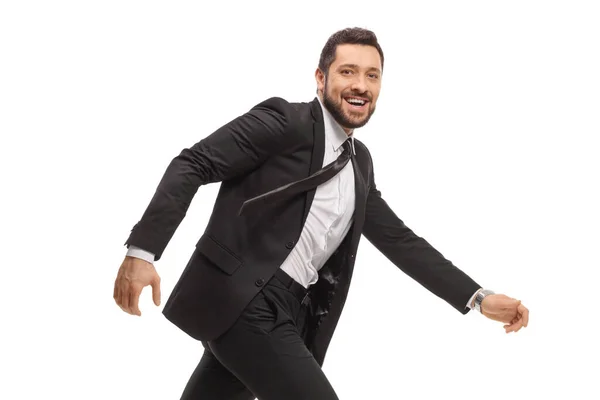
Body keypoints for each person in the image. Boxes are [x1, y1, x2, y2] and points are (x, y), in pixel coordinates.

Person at [113, 27, 529, 400]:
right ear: (321, 78)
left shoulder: (359, 163)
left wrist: (478, 298)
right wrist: (142, 252)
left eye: (372, 75)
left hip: (290, 312)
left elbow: (401, 242)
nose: (360, 85)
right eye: (348, 71)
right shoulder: (285, 121)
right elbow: (194, 162)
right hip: (245, 301)